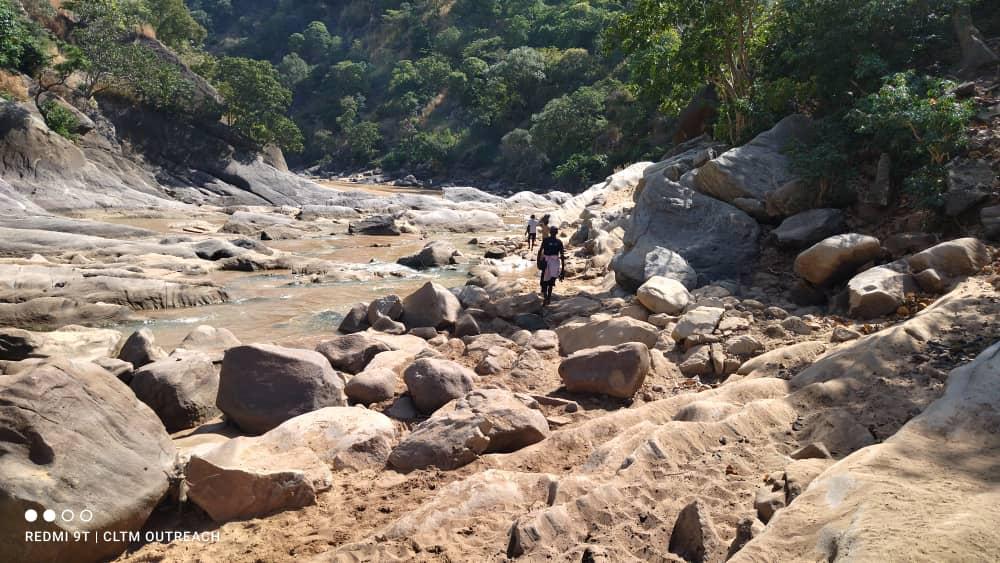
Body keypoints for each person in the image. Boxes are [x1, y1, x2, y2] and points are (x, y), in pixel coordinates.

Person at [537, 225, 566, 305]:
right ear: (557, 232)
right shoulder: (559, 242)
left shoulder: (546, 240)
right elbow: (562, 256)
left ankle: (546, 297)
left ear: (550, 232)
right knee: (551, 282)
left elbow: (540, 251)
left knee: (545, 281)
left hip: (546, 262)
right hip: (554, 263)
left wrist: (538, 262)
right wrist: (562, 269)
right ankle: (548, 298)